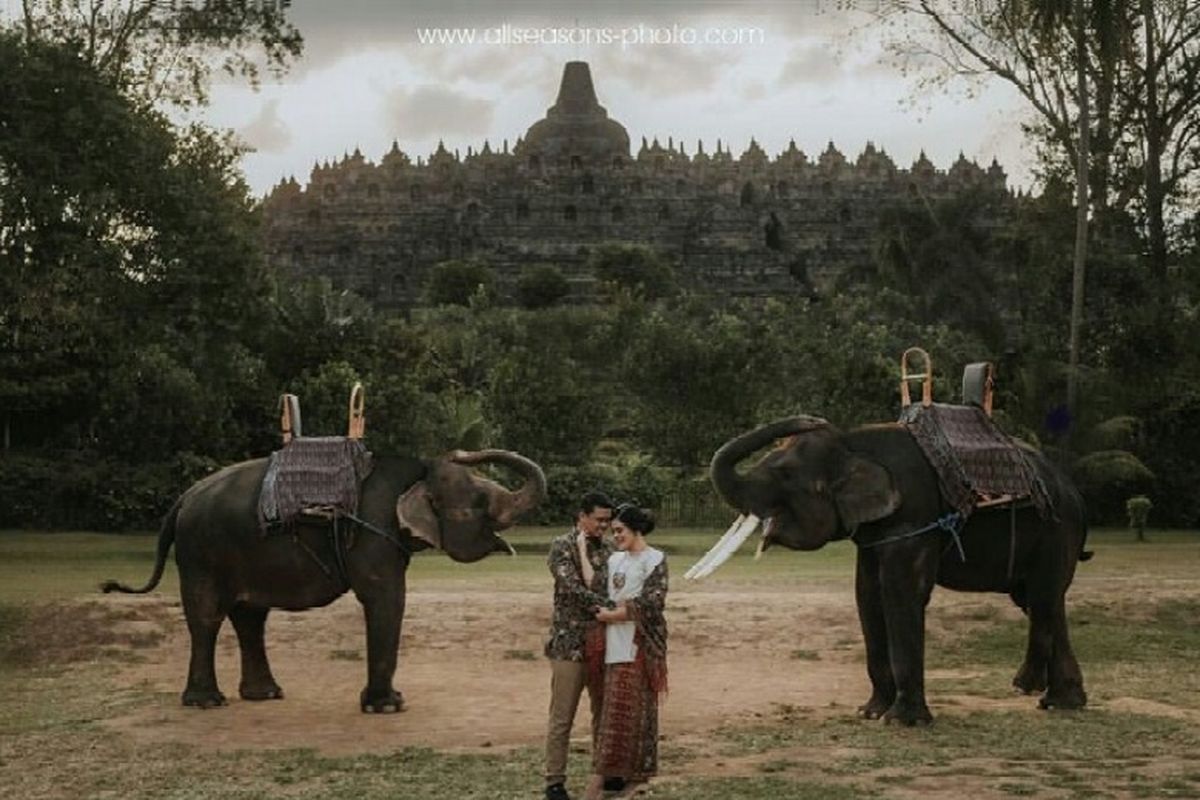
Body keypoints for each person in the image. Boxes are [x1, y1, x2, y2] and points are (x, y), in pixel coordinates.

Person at [583, 503, 668, 800]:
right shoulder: (614, 559)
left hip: (639, 647)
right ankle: (613, 778)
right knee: (613, 715)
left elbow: (652, 603)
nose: (615, 535)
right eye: (614, 530)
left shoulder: (655, 559)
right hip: (611, 646)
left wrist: (613, 615)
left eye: (620, 530)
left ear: (637, 530)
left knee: (637, 713)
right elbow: (597, 590)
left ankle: (631, 780)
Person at [543, 491, 615, 800]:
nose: (605, 526)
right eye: (599, 520)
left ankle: (603, 773)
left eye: (608, 521)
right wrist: (611, 606)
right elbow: (574, 589)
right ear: (582, 516)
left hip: (601, 642)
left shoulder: (610, 549)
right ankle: (554, 781)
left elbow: (611, 584)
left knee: (603, 713)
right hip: (569, 644)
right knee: (563, 716)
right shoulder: (561, 546)